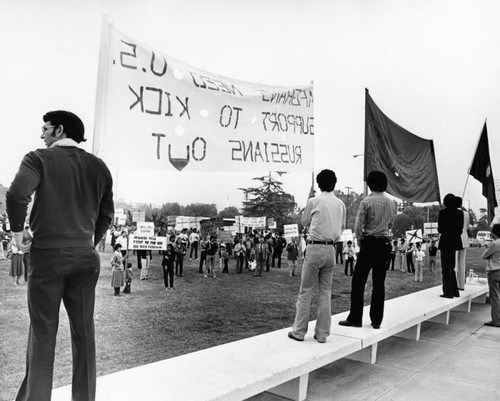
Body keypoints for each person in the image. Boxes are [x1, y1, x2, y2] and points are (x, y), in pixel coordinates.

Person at [6, 110, 113, 401]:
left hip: (48, 257)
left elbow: (17, 195)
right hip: (86, 258)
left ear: (59, 130)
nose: (41, 135)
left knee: (42, 335)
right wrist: (87, 242)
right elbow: (106, 215)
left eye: (45, 128)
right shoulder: (100, 166)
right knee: (84, 334)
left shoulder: (38, 158)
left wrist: (18, 232)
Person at [289, 169, 345, 343]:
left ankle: (299, 331)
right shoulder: (340, 204)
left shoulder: (314, 201)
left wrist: (308, 200)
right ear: (334, 184)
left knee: (305, 291)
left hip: (315, 247)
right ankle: (322, 334)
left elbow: (304, 222)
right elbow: (341, 228)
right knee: (325, 293)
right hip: (331, 249)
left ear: (319, 185)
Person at [339, 171, 395, 330]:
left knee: (358, 281)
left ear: (370, 184)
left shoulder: (366, 201)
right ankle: (376, 320)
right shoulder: (391, 203)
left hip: (369, 242)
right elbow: (391, 223)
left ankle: (355, 318)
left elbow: (358, 226)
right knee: (379, 283)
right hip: (384, 242)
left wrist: (361, 240)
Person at [438, 193, 463, 298]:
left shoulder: (443, 213)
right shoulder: (460, 213)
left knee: (445, 267)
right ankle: (454, 291)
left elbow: (440, 229)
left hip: (445, 241)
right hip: (455, 241)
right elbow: (460, 229)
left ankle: (448, 292)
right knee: (452, 266)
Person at [481, 224, 500, 327]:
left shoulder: (495, 244)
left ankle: (496, 320)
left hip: (495, 271)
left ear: (495, 233)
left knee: (495, 297)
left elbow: (484, 256)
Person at [455, 196, 470, 290]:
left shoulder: (453, 213)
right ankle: (461, 285)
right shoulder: (466, 214)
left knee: (454, 263)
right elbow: (467, 226)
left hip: (456, 239)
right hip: (464, 238)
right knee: (462, 263)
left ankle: (455, 284)